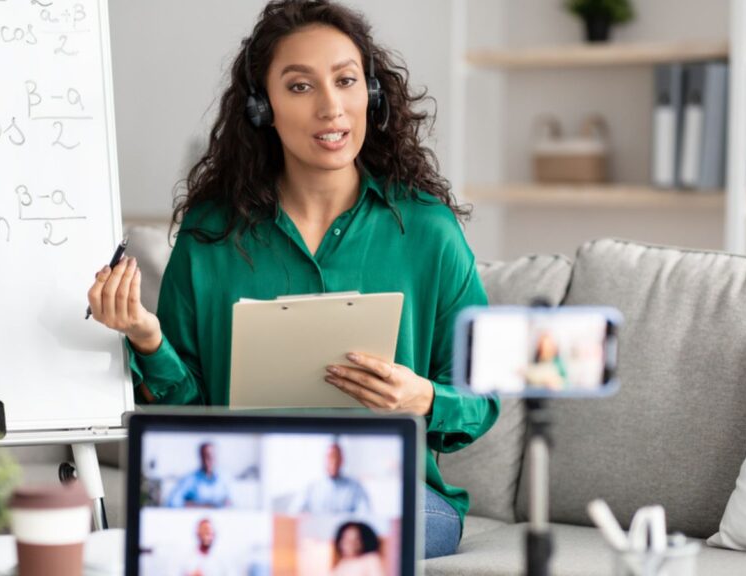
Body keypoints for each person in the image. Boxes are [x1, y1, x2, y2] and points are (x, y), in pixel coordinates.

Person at [87, 0, 499, 558]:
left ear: (371, 95)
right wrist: (146, 337)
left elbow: (483, 392)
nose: (331, 107)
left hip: (393, 496)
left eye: (346, 81)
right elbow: (186, 413)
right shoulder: (211, 236)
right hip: (250, 492)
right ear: (263, 108)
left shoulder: (429, 230)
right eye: (300, 87)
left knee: (315, 538)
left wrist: (423, 397)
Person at [291, 443, 371, 515]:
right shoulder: (311, 487)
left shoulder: (355, 487)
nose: (333, 462)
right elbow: (294, 512)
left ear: (342, 460)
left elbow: (365, 514)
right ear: (324, 460)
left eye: (337, 458)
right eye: (330, 457)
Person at [166, 442, 232, 508]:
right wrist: (200, 506)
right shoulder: (190, 479)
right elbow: (173, 502)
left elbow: (234, 502)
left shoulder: (225, 478)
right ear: (200, 457)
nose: (209, 459)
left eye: (212, 456)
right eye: (206, 456)